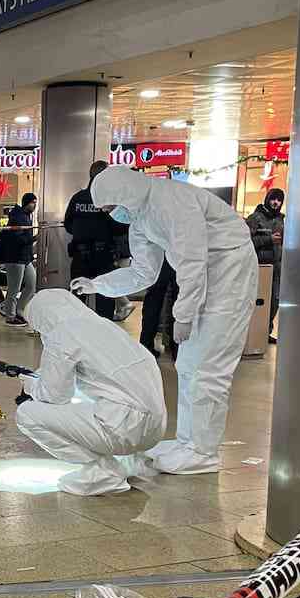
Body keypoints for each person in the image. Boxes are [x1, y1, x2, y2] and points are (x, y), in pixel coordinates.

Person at [72, 166, 257, 475]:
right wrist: (98, 284)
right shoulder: (141, 217)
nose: (111, 214)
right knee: (188, 366)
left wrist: (183, 314)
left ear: (124, 193)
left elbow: (193, 260)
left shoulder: (172, 200)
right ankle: (189, 442)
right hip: (206, 276)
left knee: (208, 366)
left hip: (230, 271)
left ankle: (203, 451)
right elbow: (144, 271)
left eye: (110, 206)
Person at [16, 290, 167, 496]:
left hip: (123, 428)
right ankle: (127, 461)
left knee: (27, 414)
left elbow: (54, 396)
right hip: (155, 430)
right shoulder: (106, 327)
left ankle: (102, 472)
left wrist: (30, 385)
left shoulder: (63, 333)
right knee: (91, 398)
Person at [64, 161, 116, 319]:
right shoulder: (109, 199)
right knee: (105, 298)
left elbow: (68, 224)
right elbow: (119, 227)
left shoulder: (78, 198)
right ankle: (102, 335)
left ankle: (75, 334)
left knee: (77, 298)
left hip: (81, 254)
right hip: (103, 255)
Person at [0, 193, 37, 326]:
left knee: (31, 285)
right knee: (14, 288)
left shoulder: (26, 216)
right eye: (32, 202)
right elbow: (17, 240)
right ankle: (10, 316)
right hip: (14, 258)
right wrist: (34, 238)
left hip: (25, 258)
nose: (34, 205)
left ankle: (19, 311)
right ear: (26, 203)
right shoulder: (17, 217)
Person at [247, 187, 284, 344]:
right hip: (260, 268)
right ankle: (253, 333)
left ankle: (265, 332)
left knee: (274, 301)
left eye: (279, 199)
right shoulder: (256, 218)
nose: (275, 202)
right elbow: (246, 242)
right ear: (267, 199)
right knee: (257, 302)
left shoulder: (281, 219)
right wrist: (268, 240)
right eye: (273, 199)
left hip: (276, 268)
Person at [139, 260, 178, 358]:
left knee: (152, 301)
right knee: (178, 300)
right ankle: (177, 348)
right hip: (179, 255)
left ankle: (146, 347)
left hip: (157, 257)